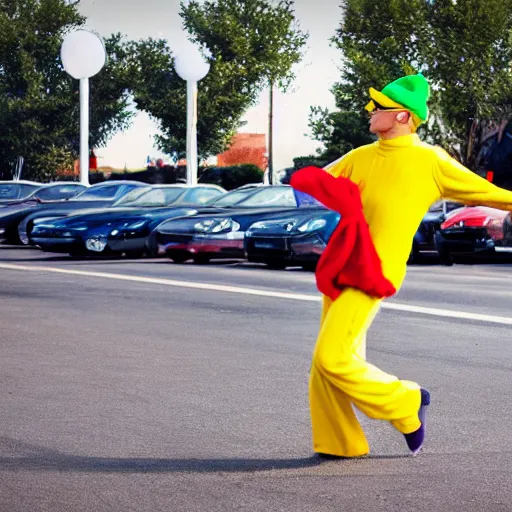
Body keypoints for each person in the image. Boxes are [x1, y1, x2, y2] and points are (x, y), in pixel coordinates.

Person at [296, 74, 512, 458]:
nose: (369, 111)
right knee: (324, 362)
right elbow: (313, 188)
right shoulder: (361, 156)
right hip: (342, 264)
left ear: (403, 117)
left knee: (334, 357)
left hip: (374, 273)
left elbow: (492, 194)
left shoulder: (430, 161)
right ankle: (340, 442)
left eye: (377, 107)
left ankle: (406, 401)